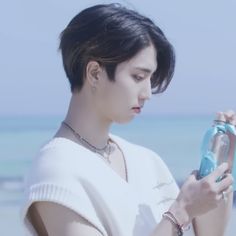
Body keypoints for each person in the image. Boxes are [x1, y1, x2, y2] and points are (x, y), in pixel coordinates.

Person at [20, 3, 235, 236]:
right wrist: (180, 212)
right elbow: (180, 216)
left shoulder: (147, 161)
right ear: (94, 73)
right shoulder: (57, 168)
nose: (147, 93)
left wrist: (219, 176)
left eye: (150, 79)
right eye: (138, 77)